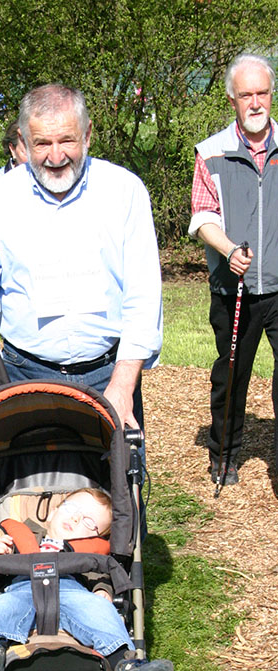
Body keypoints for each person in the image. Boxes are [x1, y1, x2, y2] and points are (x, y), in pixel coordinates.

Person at [0, 84, 163, 432]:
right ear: (23, 141)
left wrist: (123, 385)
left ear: (87, 135)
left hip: (108, 377)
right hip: (22, 376)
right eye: (42, 143)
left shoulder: (124, 191)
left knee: (117, 470)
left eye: (67, 140)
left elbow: (144, 296)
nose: (56, 157)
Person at [0, 488, 169, 671]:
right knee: (2, 606)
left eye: (89, 522)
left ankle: (125, 667)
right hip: (21, 589)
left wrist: (102, 590)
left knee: (98, 609)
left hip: (72, 593)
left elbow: (101, 576)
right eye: (72, 509)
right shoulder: (19, 536)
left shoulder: (89, 555)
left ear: (96, 537)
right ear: (52, 512)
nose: (76, 519)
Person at [189, 53, 278, 486]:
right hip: (234, 287)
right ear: (232, 100)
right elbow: (202, 217)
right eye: (246, 95)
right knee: (230, 376)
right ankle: (224, 454)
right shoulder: (211, 152)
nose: (256, 102)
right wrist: (228, 250)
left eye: (263, 93)